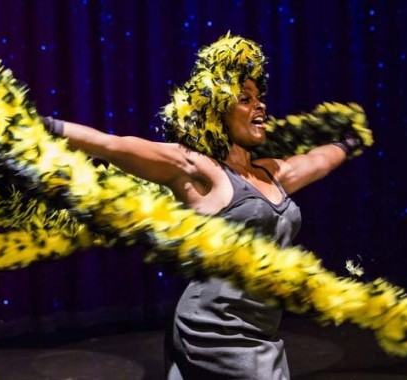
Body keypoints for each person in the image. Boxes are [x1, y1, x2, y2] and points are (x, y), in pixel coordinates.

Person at [40, 33, 369, 380]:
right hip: (214, 329)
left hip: (260, 328)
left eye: (259, 98)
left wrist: (347, 141)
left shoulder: (272, 173)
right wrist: (32, 124)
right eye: (245, 99)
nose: (260, 106)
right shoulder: (199, 169)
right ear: (218, 113)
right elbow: (111, 145)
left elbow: (316, 161)